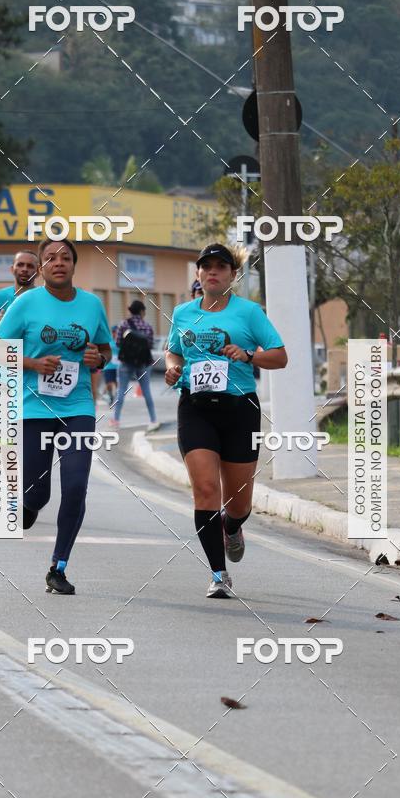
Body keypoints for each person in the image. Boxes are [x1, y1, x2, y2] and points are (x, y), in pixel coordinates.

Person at [165, 243, 287, 599]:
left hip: (239, 409)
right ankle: (219, 574)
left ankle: (232, 527)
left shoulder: (249, 313)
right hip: (195, 407)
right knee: (205, 490)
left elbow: (280, 357)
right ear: (198, 274)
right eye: (207, 267)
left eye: (221, 266)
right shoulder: (183, 313)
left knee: (238, 503)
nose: (213, 272)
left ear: (233, 275)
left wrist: (248, 354)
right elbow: (173, 350)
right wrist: (173, 368)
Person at [0, 239, 112, 595]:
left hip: (77, 407)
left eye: (65, 258)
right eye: (50, 258)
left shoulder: (92, 305)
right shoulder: (26, 303)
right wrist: (31, 363)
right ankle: (29, 506)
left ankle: (58, 566)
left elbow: (105, 347)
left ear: (74, 265)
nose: (58, 263)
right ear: (41, 267)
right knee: (37, 492)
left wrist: (99, 359)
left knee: (76, 486)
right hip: (33, 407)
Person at [111, 299, 160, 432]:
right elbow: (150, 345)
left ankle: (115, 420)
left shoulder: (123, 324)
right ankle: (153, 419)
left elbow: (118, 343)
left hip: (126, 362)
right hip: (143, 363)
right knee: (146, 390)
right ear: (142, 311)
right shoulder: (147, 326)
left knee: (121, 390)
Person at [102, 325, 119, 405]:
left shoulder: (120, 341)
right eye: (114, 332)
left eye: (117, 332)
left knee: (116, 383)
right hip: (108, 366)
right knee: (109, 383)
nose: (115, 333)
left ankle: (115, 397)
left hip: (118, 366)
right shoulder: (108, 340)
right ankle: (110, 394)